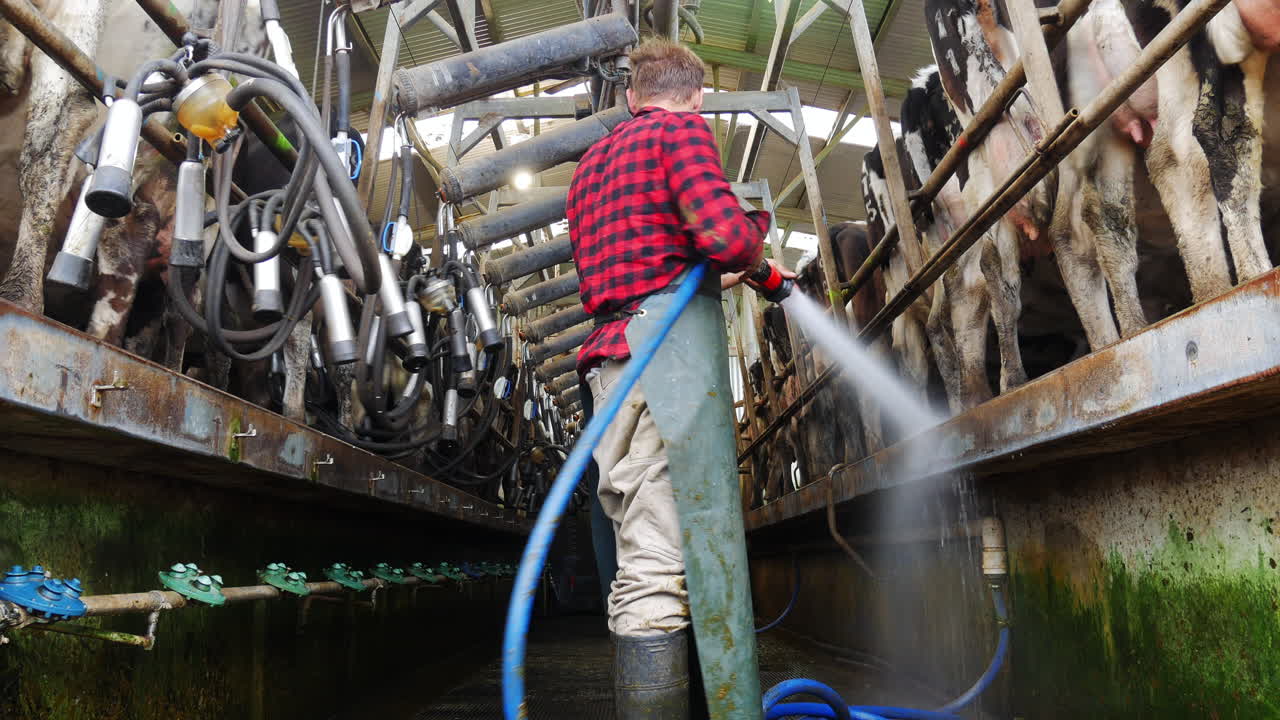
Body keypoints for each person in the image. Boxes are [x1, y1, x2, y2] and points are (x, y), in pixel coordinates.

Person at [566, 38, 793, 719]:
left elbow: (644, 264)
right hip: (663, 367)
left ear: (631, 97)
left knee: (645, 542)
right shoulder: (679, 133)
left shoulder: (588, 168)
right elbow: (725, 239)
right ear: (695, 97)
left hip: (612, 368)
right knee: (661, 563)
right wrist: (755, 240)